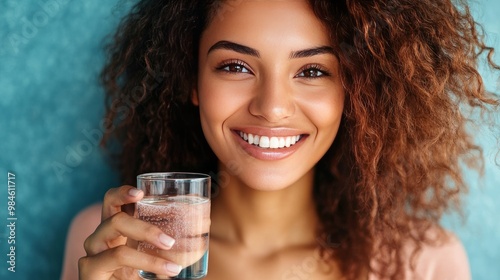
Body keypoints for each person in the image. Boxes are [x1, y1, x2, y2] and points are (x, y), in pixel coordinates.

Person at [61, 0, 499, 279]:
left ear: (357, 92)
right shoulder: (113, 245)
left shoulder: (426, 263)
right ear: (190, 81)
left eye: (312, 71)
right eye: (235, 66)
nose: (272, 107)